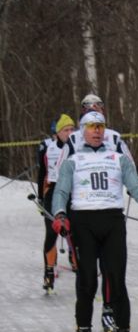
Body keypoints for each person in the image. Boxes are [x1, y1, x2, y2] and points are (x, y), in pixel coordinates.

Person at [51, 111, 138, 332]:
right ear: (82, 131)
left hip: (113, 222)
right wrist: (59, 213)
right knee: (88, 281)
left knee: (116, 282)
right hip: (84, 223)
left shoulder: (118, 158)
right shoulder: (73, 160)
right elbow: (62, 189)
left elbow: (135, 186)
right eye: (92, 126)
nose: (97, 131)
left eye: (101, 126)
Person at [36, 114, 75, 291]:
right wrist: (40, 198)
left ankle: (76, 263)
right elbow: (42, 173)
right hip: (52, 191)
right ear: (58, 133)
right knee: (51, 233)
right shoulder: (48, 149)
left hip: (72, 192)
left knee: (74, 231)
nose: (70, 132)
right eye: (66, 130)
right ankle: (49, 272)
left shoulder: (78, 148)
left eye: (72, 129)